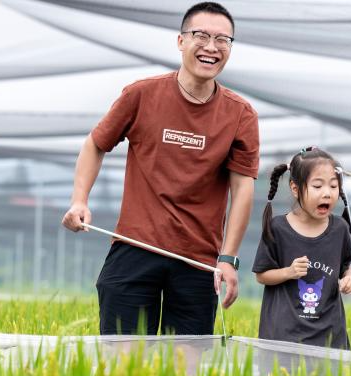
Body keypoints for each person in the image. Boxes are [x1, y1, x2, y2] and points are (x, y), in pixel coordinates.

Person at [61, 2, 259, 335]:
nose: (211, 47)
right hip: (135, 247)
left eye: (223, 40)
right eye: (201, 36)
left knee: (187, 362)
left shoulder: (240, 114)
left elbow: (242, 188)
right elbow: (96, 144)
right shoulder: (141, 95)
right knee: (124, 359)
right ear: (181, 41)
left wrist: (228, 258)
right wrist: (79, 200)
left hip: (198, 260)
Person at [252, 148, 351, 349]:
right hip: (284, 335)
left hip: (330, 336)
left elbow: (345, 266)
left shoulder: (340, 229)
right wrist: (288, 272)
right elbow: (261, 275)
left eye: (333, 186)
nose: (327, 193)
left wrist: (349, 278)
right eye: (317, 186)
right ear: (295, 188)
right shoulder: (278, 228)